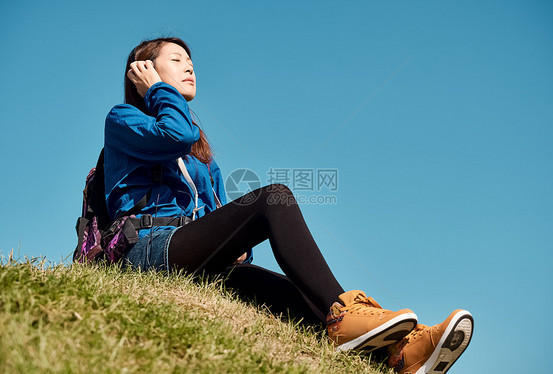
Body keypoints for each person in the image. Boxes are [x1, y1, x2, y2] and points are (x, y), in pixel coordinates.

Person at [103, 36, 473, 373]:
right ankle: (348, 318)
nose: (190, 67)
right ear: (145, 69)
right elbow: (175, 134)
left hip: (195, 257)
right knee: (273, 197)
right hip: (148, 251)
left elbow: (215, 214)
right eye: (177, 59)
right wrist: (155, 91)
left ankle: (401, 354)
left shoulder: (201, 151)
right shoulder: (124, 120)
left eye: (192, 62)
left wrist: (240, 251)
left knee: (298, 295)